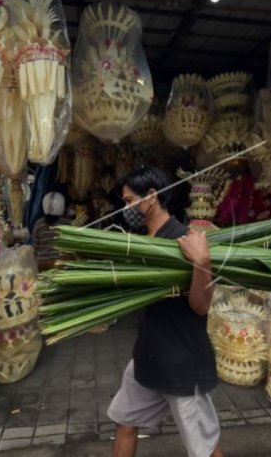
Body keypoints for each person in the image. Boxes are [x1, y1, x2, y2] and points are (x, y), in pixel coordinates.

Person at [107, 166, 223, 457]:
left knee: (205, 450)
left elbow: (200, 306)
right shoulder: (147, 241)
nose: (126, 208)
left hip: (181, 364)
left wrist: (203, 263)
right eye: (124, 202)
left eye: (129, 200)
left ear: (151, 196)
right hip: (147, 357)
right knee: (124, 422)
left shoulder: (183, 240)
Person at [32, 191, 70, 271]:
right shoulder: (66, 224)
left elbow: (35, 247)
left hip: (41, 263)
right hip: (59, 263)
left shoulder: (38, 224)